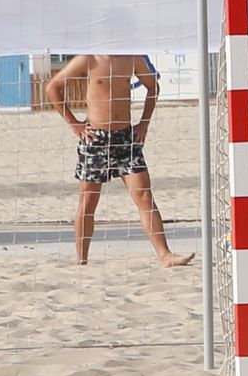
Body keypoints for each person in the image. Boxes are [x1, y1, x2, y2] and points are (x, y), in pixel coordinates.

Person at [45, 54, 195, 268]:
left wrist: (144, 123)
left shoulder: (131, 57)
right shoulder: (88, 58)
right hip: (95, 138)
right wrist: (74, 123)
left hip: (125, 138)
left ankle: (165, 255)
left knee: (144, 196)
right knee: (88, 201)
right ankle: (82, 260)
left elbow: (153, 87)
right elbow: (53, 88)